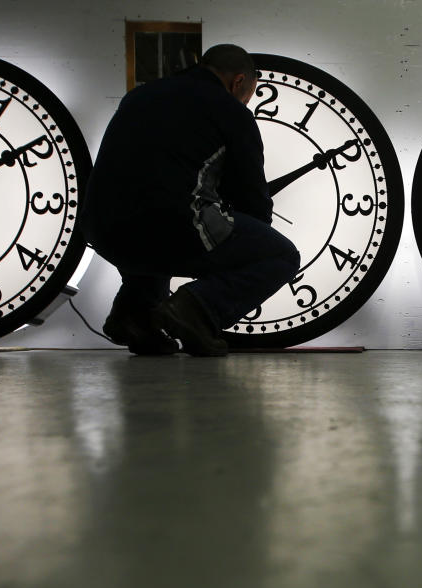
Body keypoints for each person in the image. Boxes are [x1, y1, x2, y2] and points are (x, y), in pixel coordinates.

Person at [80, 44, 300, 356]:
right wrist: (248, 241)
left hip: (101, 229)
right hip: (169, 225)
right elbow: (250, 195)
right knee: (282, 256)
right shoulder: (230, 110)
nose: (244, 102)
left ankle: (135, 316)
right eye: (247, 96)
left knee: (159, 225)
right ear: (238, 82)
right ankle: (196, 308)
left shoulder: (141, 96)